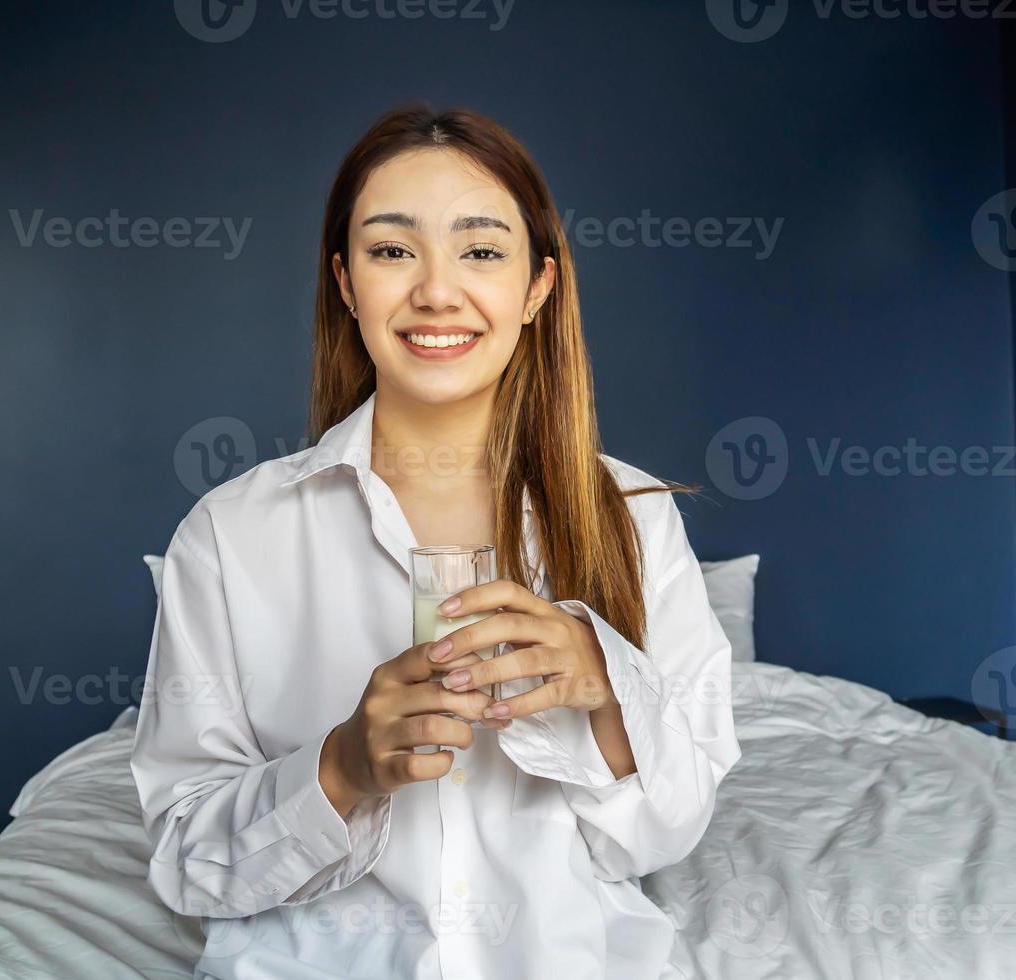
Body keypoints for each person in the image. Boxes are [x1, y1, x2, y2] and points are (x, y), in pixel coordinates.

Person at [130, 103, 741, 979]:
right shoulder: (230, 535)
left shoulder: (633, 513)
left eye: (482, 250)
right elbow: (188, 861)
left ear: (539, 287)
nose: (436, 291)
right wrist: (337, 770)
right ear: (346, 284)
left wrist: (605, 690)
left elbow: (668, 830)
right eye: (392, 250)